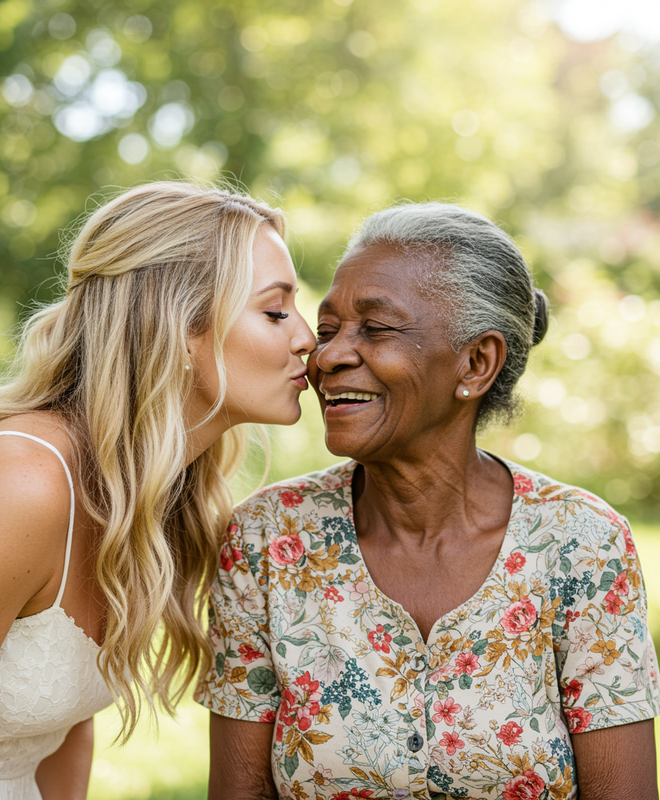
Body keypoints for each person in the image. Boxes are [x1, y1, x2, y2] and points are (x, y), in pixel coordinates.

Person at [0, 180, 316, 800]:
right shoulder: (24, 483)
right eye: (275, 310)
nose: (307, 339)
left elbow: (64, 720)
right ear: (183, 327)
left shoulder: (150, 492)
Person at [196, 202, 660, 800]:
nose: (327, 356)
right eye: (330, 328)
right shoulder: (268, 538)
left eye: (377, 328)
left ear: (476, 362)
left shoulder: (582, 543)